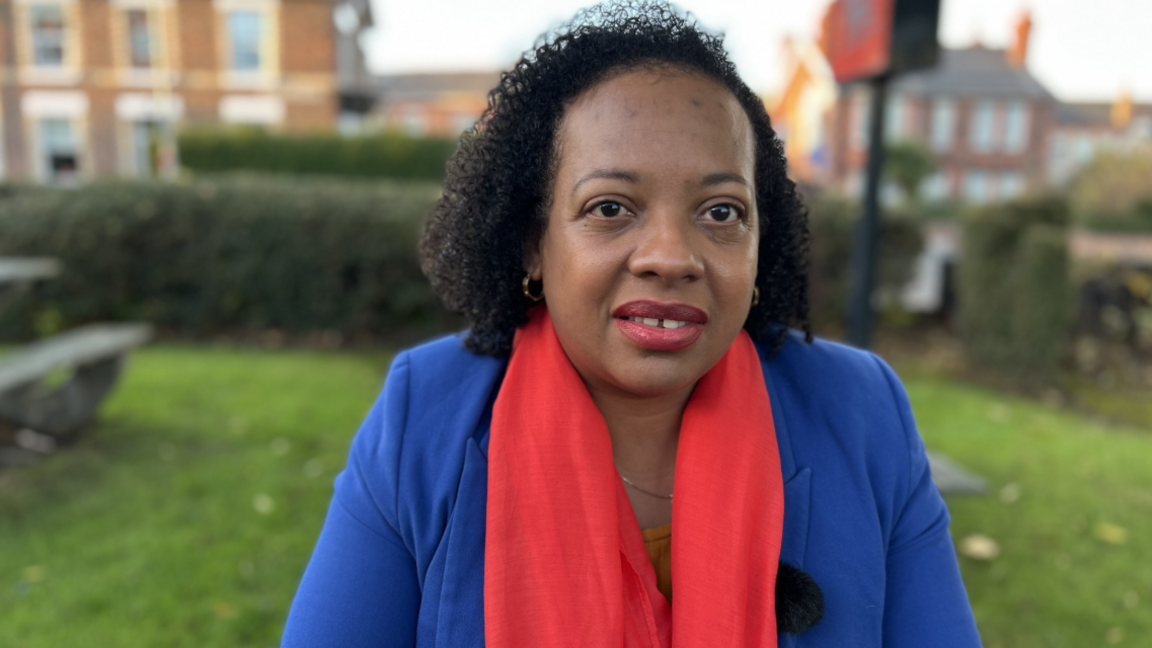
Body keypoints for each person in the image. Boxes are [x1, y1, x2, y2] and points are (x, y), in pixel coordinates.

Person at [281, 3, 982, 646]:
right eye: (611, 207)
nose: (671, 258)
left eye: (721, 213)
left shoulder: (861, 412)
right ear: (534, 242)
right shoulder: (425, 420)